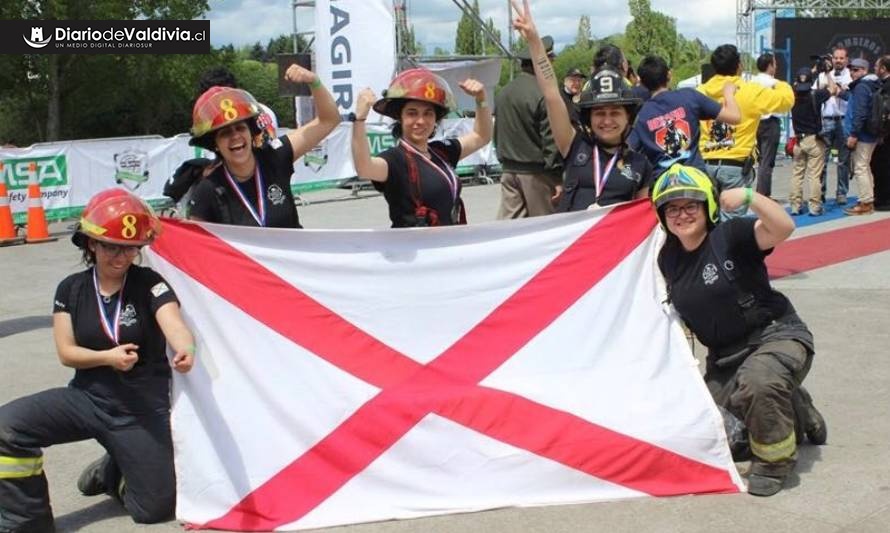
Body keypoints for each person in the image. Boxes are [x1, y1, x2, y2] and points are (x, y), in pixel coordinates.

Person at [0, 189, 195, 532]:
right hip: (86, 399)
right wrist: (107, 357)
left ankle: (111, 472)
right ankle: (26, 523)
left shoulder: (149, 283)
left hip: (138, 411)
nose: (121, 257)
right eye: (111, 246)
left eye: (130, 248)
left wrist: (185, 349)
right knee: (7, 426)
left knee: (154, 508)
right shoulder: (70, 289)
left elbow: (173, 322)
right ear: (91, 243)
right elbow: (66, 352)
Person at [651, 164, 826, 497]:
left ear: (708, 207)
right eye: (672, 208)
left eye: (691, 205)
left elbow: (782, 227)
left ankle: (775, 464)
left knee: (758, 384)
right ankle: (799, 411)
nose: (682, 214)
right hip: (725, 359)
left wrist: (750, 197)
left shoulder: (730, 237)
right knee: (715, 436)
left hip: (776, 337)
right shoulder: (667, 259)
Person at [511, 0, 652, 211]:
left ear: (628, 117)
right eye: (599, 113)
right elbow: (551, 94)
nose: (607, 120)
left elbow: (642, 217)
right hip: (573, 243)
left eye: (615, 113)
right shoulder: (574, 145)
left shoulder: (641, 165)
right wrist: (534, 42)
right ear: (588, 117)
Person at [187, 63, 339, 227]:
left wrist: (314, 81)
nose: (235, 136)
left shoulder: (276, 155)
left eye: (240, 128)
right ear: (214, 143)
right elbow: (194, 244)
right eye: (225, 133)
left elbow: (329, 119)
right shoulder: (207, 190)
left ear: (251, 132)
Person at [351, 68, 491, 227]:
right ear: (400, 117)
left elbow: (481, 136)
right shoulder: (396, 159)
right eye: (412, 113)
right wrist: (359, 119)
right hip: (412, 248)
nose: (421, 121)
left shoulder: (441, 152)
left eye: (428, 114)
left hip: (447, 245)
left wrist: (481, 98)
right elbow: (364, 167)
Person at [698, 44, 794, 219]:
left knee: (708, 219)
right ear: (739, 65)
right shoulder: (750, 91)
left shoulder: (700, 92)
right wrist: (776, 81)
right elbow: (787, 100)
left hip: (705, 164)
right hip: (735, 165)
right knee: (731, 226)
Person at [629, 54, 740, 173]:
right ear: (669, 75)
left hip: (662, 183)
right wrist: (728, 94)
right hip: (696, 178)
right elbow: (734, 117)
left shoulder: (641, 116)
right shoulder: (689, 96)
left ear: (643, 83)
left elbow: (629, 149)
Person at [494, 34, 564, 219]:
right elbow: (551, 139)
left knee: (510, 230)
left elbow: (498, 133)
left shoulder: (504, 92)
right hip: (536, 174)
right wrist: (557, 178)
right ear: (544, 61)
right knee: (544, 228)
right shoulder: (544, 93)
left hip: (508, 171)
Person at [788, 67, 838, 216]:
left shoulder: (791, 95)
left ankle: (795, 206)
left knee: (797, 174)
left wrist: (811, 71)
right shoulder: (816, 94)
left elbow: (795, 83)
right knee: (814, 175)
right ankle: (814, 206)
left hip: (798, 140)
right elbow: (834, 89)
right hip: (813, 140)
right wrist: (827, 72)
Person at [843, 58, 881, 215]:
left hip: (863, 135)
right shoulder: (873, 85)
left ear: (865, 70)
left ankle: (866, 203)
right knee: (865, 166)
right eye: (851, 69)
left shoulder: (861, 87)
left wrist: (853, 134)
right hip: (871, 133)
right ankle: (868, 199)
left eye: (856, 69)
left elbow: (860, 113)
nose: (852, 72)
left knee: (860, 167)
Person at [817, 46, 853, 205]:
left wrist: (838, 91)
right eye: (836, 58)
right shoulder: (823, 76)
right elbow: (815, 97)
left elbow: (852, 98)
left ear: (846, 60)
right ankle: (820, 192)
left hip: (844, 120)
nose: (838, 61)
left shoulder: (851, 77)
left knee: (843, 160)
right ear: (832, 59)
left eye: (841, 58)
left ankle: (841, 192)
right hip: (826, 120)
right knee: (822, 160)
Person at [752, 53, 782, 197]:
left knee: (761, 159)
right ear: (770, 65)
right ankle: (763, 195)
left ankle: (761, 192)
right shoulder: (774, 83)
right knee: (767, 161)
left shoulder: (752, 82)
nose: (776, 67)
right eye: (774, 64)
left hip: (756, 122)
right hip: (770, 122)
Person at [872, 55, 890, 211]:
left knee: (881, 165)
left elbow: (884, 110)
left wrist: (881, 131)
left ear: (883, 69)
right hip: (884, 132)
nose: (875, 69)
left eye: (877, 66)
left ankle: (883, 199)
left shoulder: (885, 87)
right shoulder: (880, 85)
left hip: (885, 134)